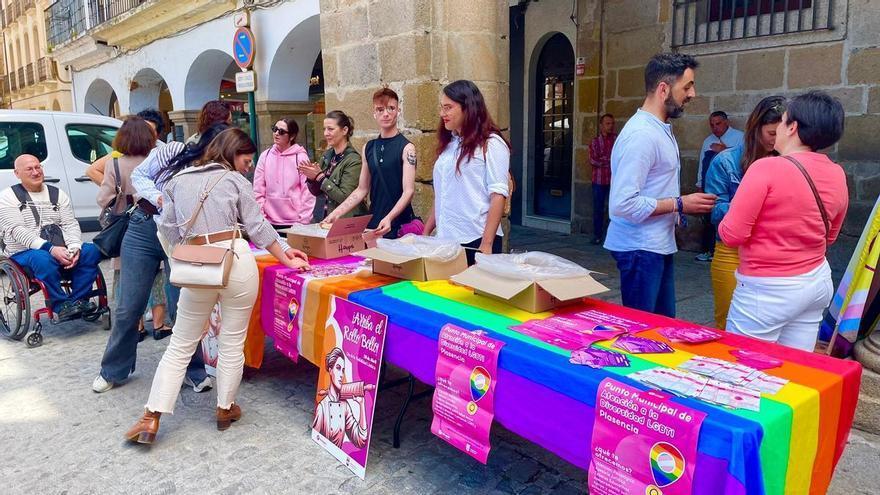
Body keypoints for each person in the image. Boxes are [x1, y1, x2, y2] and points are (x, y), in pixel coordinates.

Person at [124, 128, 310, 444]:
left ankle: (151, 416)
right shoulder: (235, 181)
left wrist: (185, 257)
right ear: (231, 153)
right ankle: (225, 408)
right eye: (246, 159)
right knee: (232, 340)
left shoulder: (176, 181)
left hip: (199, 263)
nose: (249, 166)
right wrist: (286, 254)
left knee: (180, 343)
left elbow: (168, 230)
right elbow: (257, 226)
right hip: (236, 259)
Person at [92, 124, 224, 395]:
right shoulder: (172, 151)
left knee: (183, 305)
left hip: (179, 234)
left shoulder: (218, 171)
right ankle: (113, 370)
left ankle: (193, 370)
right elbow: (140, 175)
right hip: (143, 226)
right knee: (129, 305)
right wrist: (159, 197)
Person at [719, 91, 849, 351]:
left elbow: (731, 235)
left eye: (783, 120)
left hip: (767, 289)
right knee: (793, 368)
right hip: (815, 281)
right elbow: (830, 237)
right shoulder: (837, 173)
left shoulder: (766, 168)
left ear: (792, 127)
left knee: (743, 367)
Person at [604, 53, 715, 318]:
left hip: (654, 245)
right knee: (643, 332)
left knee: (663, 328)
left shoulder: (658, 128)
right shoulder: (642, 134)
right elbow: (622, 204)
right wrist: (679, 204)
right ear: (664, 89)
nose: (692, 93)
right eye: (686, 86)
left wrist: (676, 210)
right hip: (640, 248)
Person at [704, 96, 784, 330]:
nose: (776, 140)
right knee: (728, 325)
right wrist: (754, 205)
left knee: (768, 327)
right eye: (771, 133)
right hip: (731, 252)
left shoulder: (785, 161)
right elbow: (716, 212)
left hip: (771, 254)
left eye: (782, 134)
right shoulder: (726, 161)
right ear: (756, 129)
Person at [0, 155, 102, 320]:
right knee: (42, 258)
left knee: (91, 250)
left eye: (38, 167)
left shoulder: (57, 194)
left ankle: (78, 300)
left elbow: (70, 223)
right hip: (24, 252)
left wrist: (74, 247)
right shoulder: (7, 197)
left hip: (59, 247)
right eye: (29, 169)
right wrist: (51, 249)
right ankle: (61, 305)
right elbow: (16, 230)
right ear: (17, 173)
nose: (36, 172)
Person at [423, 80, 510, 266]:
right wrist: (425, 232)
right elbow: (443, 196)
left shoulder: (492, 144)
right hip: (446, 240)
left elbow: (498, 195)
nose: (442, 114)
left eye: (448, 108)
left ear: (467, 108)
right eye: (441, 107)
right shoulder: (450, 144)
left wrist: (486, 245)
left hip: (475, 240)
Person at [322, 88, 417, 239]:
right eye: (380, 109)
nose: (385, 114)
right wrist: (337, 213)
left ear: (398, 111)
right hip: (374, 222)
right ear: (374, 113)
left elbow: (409, 191)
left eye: (391, 108)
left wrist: (389, 218)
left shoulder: (407, 148)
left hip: (398, 223)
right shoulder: (369, 147)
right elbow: (361, 189)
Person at [298, 111, 367, 222]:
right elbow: (317, 192)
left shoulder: (354, 160)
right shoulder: (327, 155)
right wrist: (312, 179)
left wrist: (320, 177)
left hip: (345, 223)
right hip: (324, 218)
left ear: (344, 130)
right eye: (324, 129)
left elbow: (345, 198)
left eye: (330, 129)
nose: (326, 133)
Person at [695, 111, 744, 262]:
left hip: (731, 184)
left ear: (726, 122)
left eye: (718, 123)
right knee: (709, 216)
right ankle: (708, 249)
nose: (715, 127)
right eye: (712, 124)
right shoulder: (707, 141)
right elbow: (701, 163)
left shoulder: (739, 137)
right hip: (710, 183)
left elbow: (741, 159)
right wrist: (699, 184)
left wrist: (723, 150)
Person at [253, 117, 314, 229]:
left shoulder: (300, 158)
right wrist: (261, 217)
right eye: (275, 129)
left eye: (281, 132)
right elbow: (258, 189)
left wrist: (303, 221)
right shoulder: (265, 156)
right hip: (269, 222)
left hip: (295, 222)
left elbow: (308, 191)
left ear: (292, 136)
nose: (276, 133)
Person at [85, 108, 166, 184]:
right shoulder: (123, 153)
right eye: (141, 130)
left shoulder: (165, 153)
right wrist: (116, 189)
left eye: (149, 130)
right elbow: (92, 171)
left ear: (157, 135)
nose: (144, 134)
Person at [312, 347, 368, 449]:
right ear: (330, 370)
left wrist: (361, 404)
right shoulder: (322, 408)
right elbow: (316, 436)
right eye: (338, 368)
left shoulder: (344, 406)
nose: (341, 375)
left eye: (343, 370)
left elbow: (361, 441)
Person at [588, 113, 616, 245]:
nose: (610, 126)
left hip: (613, 181)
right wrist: (609, 161)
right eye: (607, 123)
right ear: (601, 126)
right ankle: (597, 235)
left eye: (612, 123)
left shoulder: (617, 140)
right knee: (598, 208)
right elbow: (593, 160)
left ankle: (612, 237)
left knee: (614, 209)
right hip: (599, 181)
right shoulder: (595, 142)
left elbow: (619, 159)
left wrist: (605, 159)